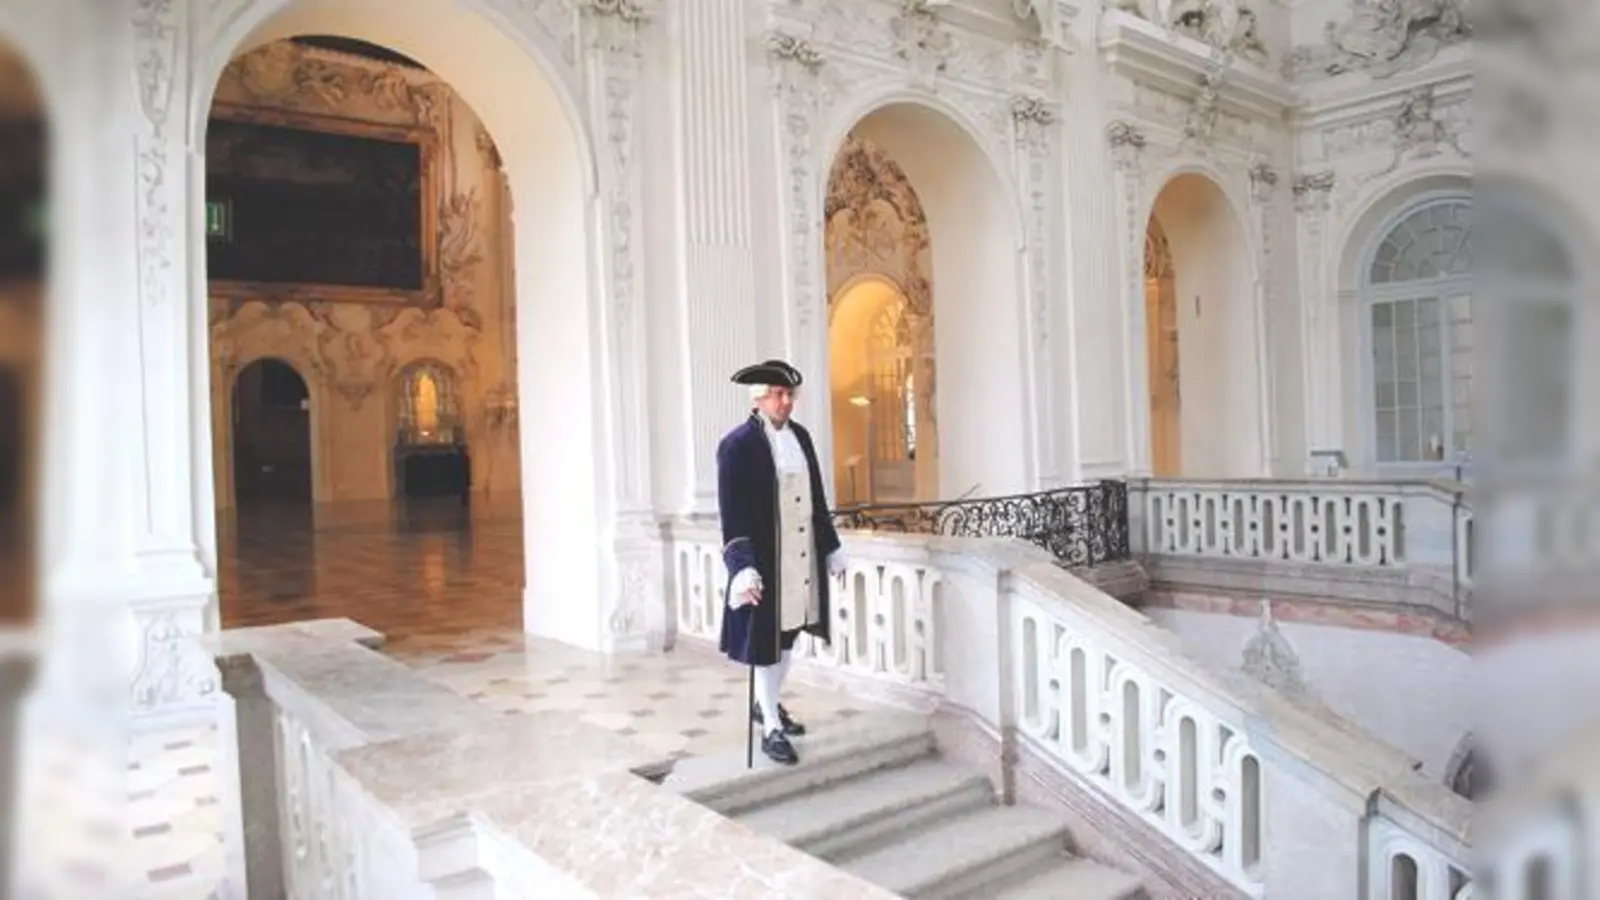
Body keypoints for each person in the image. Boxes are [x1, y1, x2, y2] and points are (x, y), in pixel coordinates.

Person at [717, 359, 846, 765]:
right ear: (759, 397)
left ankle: (766, 704)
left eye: (790, 394)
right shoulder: (736, 445)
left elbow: (817, 501)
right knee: (765, 645)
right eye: (778, 394)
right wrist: (742, 566)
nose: (786, 401)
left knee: (789, 635)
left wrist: (832, 547)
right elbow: (732, 513)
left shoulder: (802, 437)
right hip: (765, 562)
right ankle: (770, 722)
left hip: (801, 557)